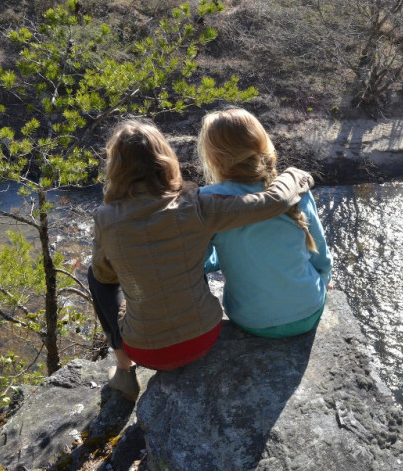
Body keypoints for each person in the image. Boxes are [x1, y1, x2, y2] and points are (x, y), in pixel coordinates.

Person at [89, 118, 314, 400]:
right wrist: (295, 175)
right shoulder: (197, 204)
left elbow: (106, 277)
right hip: (204, 336)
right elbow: (274, 202)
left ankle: (125, 370)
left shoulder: (105, 219)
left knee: (95, 278)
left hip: (145, 350)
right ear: (165, 159)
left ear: (116, 168)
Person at [197, 108, 332, 339]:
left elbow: (199, 263)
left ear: (214, 158)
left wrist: (231, 252)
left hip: (251, 319)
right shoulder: (293, 189)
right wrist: (323, 281)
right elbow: (321, 257)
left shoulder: (208, 202)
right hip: (309, 310)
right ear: (263, 145)